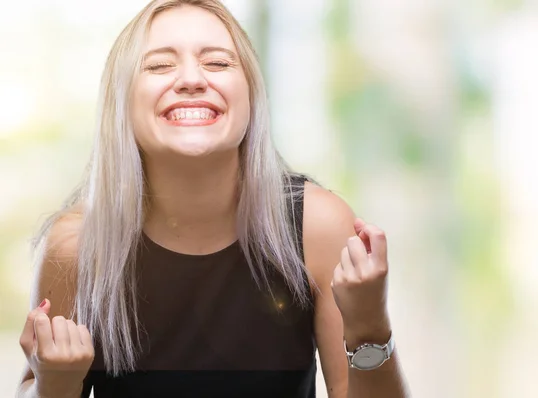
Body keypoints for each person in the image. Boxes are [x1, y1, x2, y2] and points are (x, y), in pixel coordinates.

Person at [16, 1, 407, 397]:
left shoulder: (316, 227)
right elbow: (35, 387)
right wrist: (55, 384)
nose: (191, 79)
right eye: (159, 65)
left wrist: (369, 327)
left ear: (252, 95)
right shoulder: (76, 246)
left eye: (218, 64)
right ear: (122, 100)